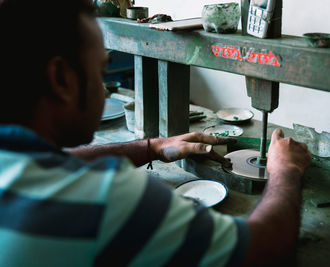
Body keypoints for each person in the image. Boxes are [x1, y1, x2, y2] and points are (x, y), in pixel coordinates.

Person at [0, 0, 312, 266]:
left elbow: (62, 160)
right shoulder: (107, 197)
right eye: (100, 72)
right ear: (61, 79)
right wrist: (286, 171)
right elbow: (266, 251)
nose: (102, 86)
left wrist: (153, 146)